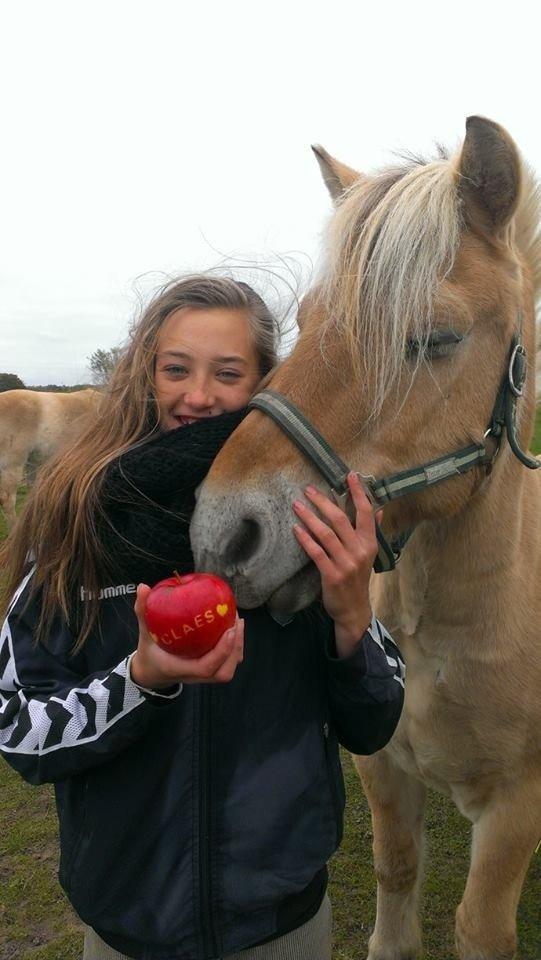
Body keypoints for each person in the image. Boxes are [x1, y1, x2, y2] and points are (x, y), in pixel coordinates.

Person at [0, 275, 405, 960]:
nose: (197, 396)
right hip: (128, 923)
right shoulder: (75, 523)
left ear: (266, 386)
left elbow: (373, 725)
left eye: (228, 373)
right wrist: (140, 678)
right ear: (144, 375)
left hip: (282, 923)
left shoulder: (301, 525)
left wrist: (351, 617)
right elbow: (20, 728)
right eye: (176, 369)